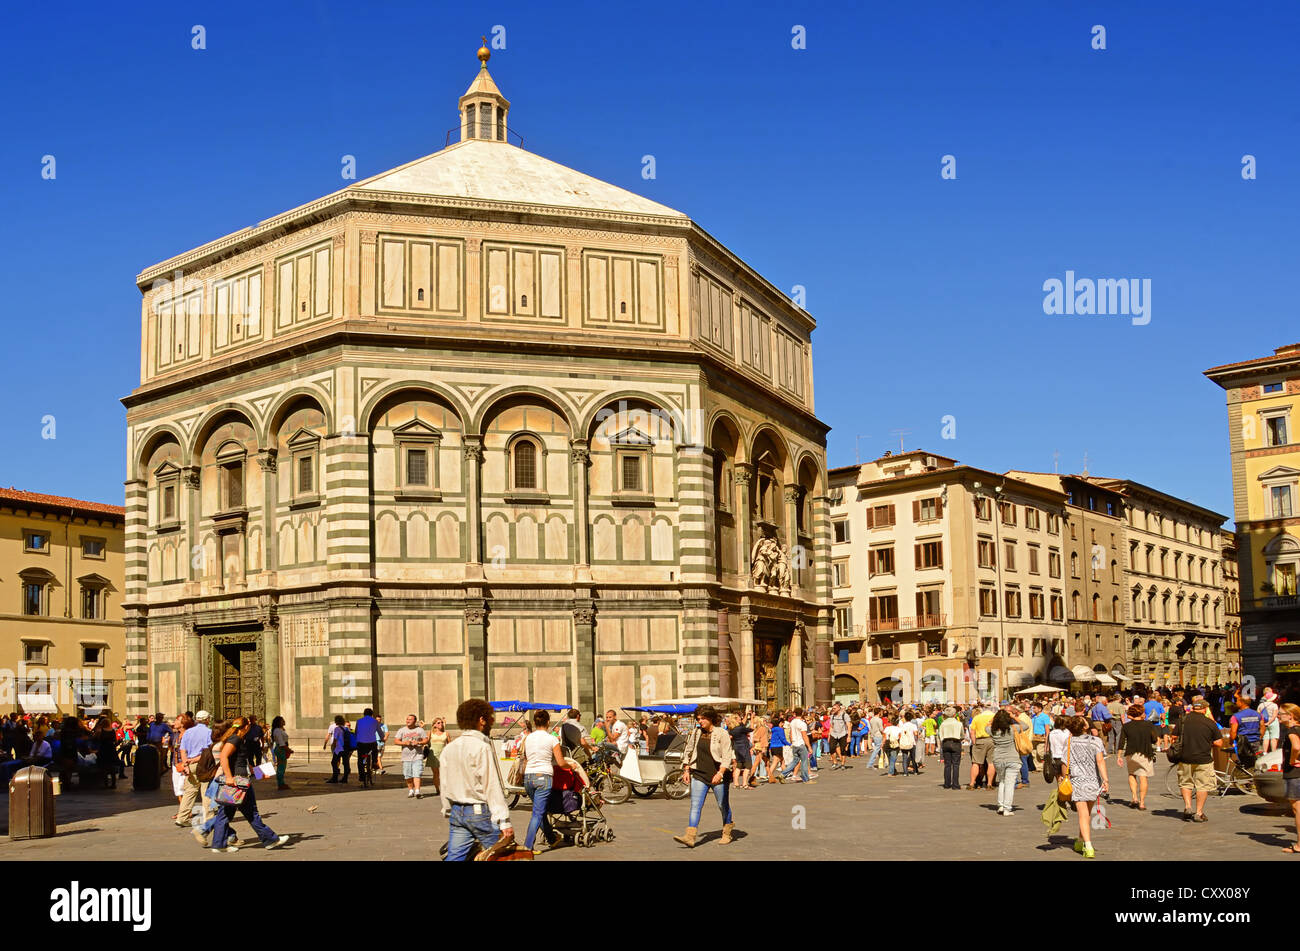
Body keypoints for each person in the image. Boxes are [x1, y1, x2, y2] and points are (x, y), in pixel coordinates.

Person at [439, 698, 514, 860]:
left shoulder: (449, 748)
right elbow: (491, 785)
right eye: (490, 718)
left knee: (455, 857)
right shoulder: (481, 747)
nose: (492, 723)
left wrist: (447, 809)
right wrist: (504, 821)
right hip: (479, 812)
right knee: (502, 855)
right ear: (481, 720)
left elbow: (444, 784)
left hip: (457, 812)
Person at [208, 717, 290, 854]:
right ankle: (270, 839)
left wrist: (259, 773)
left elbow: (244, 763)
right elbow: (223, 756)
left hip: (239, 780)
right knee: (249, 812)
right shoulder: (235, 739)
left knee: (227, 814)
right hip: (237, 782)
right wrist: (228, 777)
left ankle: (219, 844)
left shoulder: (239, 739)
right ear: (246, 727)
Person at [673, 705, 737, 848]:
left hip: (718, 775)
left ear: (710, 718)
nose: (699, 721)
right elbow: (689, 751)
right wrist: (686, 769)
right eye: (698, 719)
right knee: (695, 805)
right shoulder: (696, 732)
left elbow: (727, 756)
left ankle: (727, 832)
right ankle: (690, 836)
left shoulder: (722, 733)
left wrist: (720, 773)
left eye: (702, 719)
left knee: (722, 804)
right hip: (699, 774)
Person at [1062, 717, 1108, 858]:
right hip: (1093, 780)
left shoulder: (1068, 741)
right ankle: (1084, 842)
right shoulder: (1096, 741)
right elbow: (1100, 761)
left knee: (1083, 814)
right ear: (1084, 727)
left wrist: (1064, 779)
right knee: (1086, 813)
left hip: (1077, 780)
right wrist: (1105, 779)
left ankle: (1086, 844)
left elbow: (1065, 762)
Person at [521, 709, 566, 851]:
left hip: (528, 777)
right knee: (537, 813)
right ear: (548, 722)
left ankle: (551, 838)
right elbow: (561, 762)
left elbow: (527, 759)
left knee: (539, 811)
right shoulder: (552, 738)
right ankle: (527, 847)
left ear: (534, 723)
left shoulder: (527, 738)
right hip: (543, 778)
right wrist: (572, 765)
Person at [1173, 695, 1223, 823]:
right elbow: (1219, 743)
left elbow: (1173, 737)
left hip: (1185, 757)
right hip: (1203, 758)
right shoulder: (1210, 723)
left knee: (1185, 783)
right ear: (1206, 709)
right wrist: (1207, 742)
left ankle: (1188, 807)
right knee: (1202, 786)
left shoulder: (1183, 720)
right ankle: (1199, 812)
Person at [176, 710, 213, 827]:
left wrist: (186, 763)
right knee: (206, 792)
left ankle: (182, 817)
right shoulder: (209, 732)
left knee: (189, 792)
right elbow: (208, 752)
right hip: (204, 765)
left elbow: (183, 749)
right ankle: (208, 818)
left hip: (190, 766)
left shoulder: (188, 732)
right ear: (207, 720)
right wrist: (195, 759)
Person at [1116, 704, 1156, 810]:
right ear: (1141, 713)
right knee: (1143, 777)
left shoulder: (1127, 726)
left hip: (1131, 753)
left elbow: (1121, 741)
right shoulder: (1148, 725)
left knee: (1132, 774)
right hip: (1145, 753)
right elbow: (1154, 739)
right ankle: (1142, 802)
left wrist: (1119, 756)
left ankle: (1134, 798)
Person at [989, 710, 1024, 815]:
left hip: (998, 758)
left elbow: (987, 724)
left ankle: (1000, 805)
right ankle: (1007, 808)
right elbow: (1025, 725)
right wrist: (1013, 716)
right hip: (1012, 758)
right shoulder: (1013, 729)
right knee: (1010, 784)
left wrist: (995, 718)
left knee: (1002, 781)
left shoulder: (991, 730)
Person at [1276, 703, 1300, 854]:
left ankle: (1299, 844)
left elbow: (1296, 747)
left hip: (1294, 773)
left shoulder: (1292, 730)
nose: (1278, 716)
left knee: (1297, 808)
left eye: (1280, 713)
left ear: (1290, 716)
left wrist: (1292, 760)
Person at [394, 714, 428, 799]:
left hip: (418, 755)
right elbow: (396, 741)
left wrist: (419, 743)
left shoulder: (420, 730)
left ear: (414, 721)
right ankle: (411, 790)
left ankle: (417, 791)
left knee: (417, 773)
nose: (408, 721)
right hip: (406, 757)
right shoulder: (402, 730)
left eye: (410, 719)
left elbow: (426, 739)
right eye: (407, 719)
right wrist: (405, 743)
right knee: (408, 775)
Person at [1229, 696, 1264, 765]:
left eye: (1237, 701)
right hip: (1256, 741)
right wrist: (1260, 737)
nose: (1236, 702)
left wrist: (1231, 741)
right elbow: (1262, 727)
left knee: (1245, 763)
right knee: (1256, 761)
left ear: (1242, 703)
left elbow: (1233, 731)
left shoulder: (1236, 716)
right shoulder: (1258, 714)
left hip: (1243, 743)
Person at [967, 704, 995, 790]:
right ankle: (989, 783)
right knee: (991, 763)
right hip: (992, 740)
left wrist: (974, 742)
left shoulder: (977, 718)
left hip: (980, 740)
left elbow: (972, 732)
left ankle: (972, 783)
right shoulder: (994, 716)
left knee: (976, 763)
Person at [782, 708, 812, 783]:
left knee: (795, 761)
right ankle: (806, 779)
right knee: (804, 761)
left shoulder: (792, 722)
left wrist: (792, 742)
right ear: (802, 713)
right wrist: (809, 746)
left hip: (794, 744)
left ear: (794, 714)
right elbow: (804, 735)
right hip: (801, 744)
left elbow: (791, 734)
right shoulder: (802, 723)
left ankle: (783, 774)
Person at [354, 708, 381, 787]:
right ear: (372, 714)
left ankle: (361, 776)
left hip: (361, 743)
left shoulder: (359, 721)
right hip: (371, 743)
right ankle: (374, 763)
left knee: (360, 759)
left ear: (364, 714)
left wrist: (356, 739)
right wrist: (383, 738)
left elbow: (356, 732)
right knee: (374, 751)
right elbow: (380, 732)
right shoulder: (375, 721)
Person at [938, 707, 963, 788]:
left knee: (947, 764)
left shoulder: (943, 723)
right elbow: (962, 735)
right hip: (955, 742)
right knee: (956, 764)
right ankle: (955, 784)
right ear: (954, 714)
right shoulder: (959, 723)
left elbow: (940, 734)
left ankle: (947, 783)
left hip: (946, 742)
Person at [727, 713, 753, 788]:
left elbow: (742, 723)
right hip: (744, 748)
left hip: (737, 748)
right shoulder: (740, 728)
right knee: (748, 766)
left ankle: (736, 783)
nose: (740, 719)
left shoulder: (732, 729)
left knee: (739, 766)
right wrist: (751, 718)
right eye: (739, 718)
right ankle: (745, 783)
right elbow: (751, 729)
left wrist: (746, 714)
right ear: (736, 720)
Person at [324, 714, 350, 783]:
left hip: (339, 748)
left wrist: (333, 746)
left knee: (334, 762)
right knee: (346, 763)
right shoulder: (346, 729)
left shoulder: (337, 729)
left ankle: (335, 777)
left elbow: (335, 739)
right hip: (346, 748)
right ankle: (345, 778)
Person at [427, 717, 449, 795]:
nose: (441, 724)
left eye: (442, 722)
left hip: (443, 754)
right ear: (434, 725)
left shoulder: (446, 733)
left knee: (444, 773)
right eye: (438, 723)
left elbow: (450, 744)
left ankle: (444, 788)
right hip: (433, 755)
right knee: (436, 773)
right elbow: (425, 741)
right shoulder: (430, 733)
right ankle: (437, 788)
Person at [269, 716, 292, 790]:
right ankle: (280, 784)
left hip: (281, 748)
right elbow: (281, 743)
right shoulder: (278, 731)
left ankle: (281, 783)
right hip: (281, 749)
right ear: (279, 722)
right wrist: (288, 749)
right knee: (281, 767)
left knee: (282, 766)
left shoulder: (279, 730)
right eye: (282, 720)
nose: (284, 721)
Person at [827, 702, 851, 770]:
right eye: (832, 708)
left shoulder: (844, 715)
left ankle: (843, 764)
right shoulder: (832, 716)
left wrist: (849, 736)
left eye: (834, 708)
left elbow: (849, 726)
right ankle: (835, 762)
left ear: (838, 708)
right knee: (831, 748)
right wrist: (829, 735)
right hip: (834, 734)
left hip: (842, 734)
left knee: (843, 750)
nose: (833, 709)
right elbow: (831, 726)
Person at [766, 714, 788, 784]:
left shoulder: (773, 730)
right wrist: (788, 744)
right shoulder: (780, 729)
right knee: (776, 761)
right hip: (778, 746)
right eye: (781, 723)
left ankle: (785, 773)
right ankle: (769, 774)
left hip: (773, 746)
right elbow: (782, 738)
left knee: (782, 760)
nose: (783, 724)